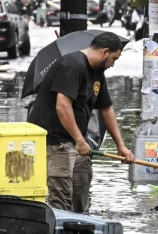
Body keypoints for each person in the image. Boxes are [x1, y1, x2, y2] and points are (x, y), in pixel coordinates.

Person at [26, 32, 134, 214]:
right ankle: (60, 225)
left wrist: (121, 146)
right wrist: (79, 140)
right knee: (61, 194)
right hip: (56, 141)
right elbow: (62, 106)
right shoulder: (72, 65)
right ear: (104, 52)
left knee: (81, 189)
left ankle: (81, 222)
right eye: (114, 59)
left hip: (78, 142)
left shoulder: (98, 72)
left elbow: (106, 109)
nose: (113, 64)